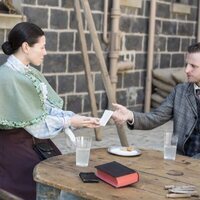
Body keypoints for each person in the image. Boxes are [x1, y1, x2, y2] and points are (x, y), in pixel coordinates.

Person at [0, 22, 100, 200]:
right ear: (25, 47)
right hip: (14, 147)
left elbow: (45, 109)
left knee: (67, 175)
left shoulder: (30, 73)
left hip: (37, 143)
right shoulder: (6, 77)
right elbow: (36, 124)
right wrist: (69, 122)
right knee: (47, 184)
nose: (45, 52)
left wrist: (75, 118)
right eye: (42, 47)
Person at [112, 42, 200, 159]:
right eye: (187, 64)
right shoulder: (180, 91)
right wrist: (130, 115)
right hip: (181, 162)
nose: (186, 70)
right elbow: (156, 117)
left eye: (193, 66)